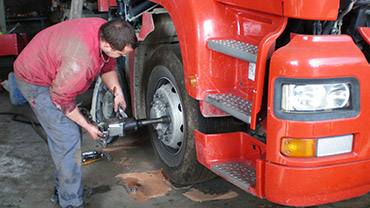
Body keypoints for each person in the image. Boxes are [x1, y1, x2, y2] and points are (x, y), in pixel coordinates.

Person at [13, 17, 138, 208]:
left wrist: (118, 93)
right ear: (105, 44)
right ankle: (71, 202)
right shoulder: (80, 64)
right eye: (120, 53)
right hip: (34, 80)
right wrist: (88, 126)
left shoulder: (105, 30)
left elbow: (107, 65)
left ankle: (65, 189)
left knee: (68, 135)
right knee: (68, 137)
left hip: (51, 66)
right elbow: (62, 101)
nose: (121, 56)